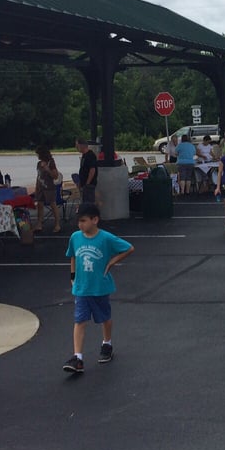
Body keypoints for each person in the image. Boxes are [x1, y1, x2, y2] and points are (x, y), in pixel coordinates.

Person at [62, 203, 134, 373]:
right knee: (79, 320)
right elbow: (72, 256)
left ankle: (107, 343)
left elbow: (129, 248)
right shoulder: (75, 237)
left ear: (95, 220)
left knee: (104, 318)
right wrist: (72, 276)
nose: (80, 225)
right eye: (78, 221)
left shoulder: (105, 238)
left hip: (99, 287)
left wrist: (112, 261)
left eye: (83, 221)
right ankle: (78, 357)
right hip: (81, 288)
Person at [33, 146, 62, 234]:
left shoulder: (51, 162)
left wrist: (47, 169)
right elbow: (38, 176)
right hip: (40, 187)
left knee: (53, 205)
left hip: (49, 187)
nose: (37, 156)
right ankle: (39, 224)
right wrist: (36, 187)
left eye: (38, 154)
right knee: (40, 205)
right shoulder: (39, 164)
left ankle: (57, 224)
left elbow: (55, 176)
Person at [75, 139, 99, 205]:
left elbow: (92, 170)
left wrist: (87, 183)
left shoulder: (90, 155)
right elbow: (83, 170)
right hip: (83, 183)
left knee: (89, 202)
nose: (76, 148)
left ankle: (92, 214)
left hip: (89, 184)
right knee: (85, 201)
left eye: (77, 146)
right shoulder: (84, 156)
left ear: (82, 146)